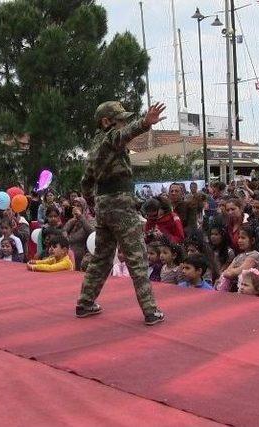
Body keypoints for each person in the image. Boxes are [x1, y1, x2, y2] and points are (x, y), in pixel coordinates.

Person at [76, 101, 166, 325]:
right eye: (120, 119)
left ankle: (85, 303)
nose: (124, 123)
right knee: (137, 256)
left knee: (102, 257)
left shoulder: (94, 147)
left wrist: (92, 201)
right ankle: (151, 311)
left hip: (104, 204)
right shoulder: (110, 139)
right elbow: (124, 134)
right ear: (106, 122)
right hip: (120, 205)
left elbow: (85, 180)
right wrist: (145, 122)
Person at [64, 197, 95, 270]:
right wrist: (71, 223)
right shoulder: (72, 221)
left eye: (78, 206)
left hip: (84, 260)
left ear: (84, 207)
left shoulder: (90, 220)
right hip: (70, 259)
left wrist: (81, 217)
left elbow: (93, 234)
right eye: (74, 206)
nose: (75, 208)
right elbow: (62, 234)